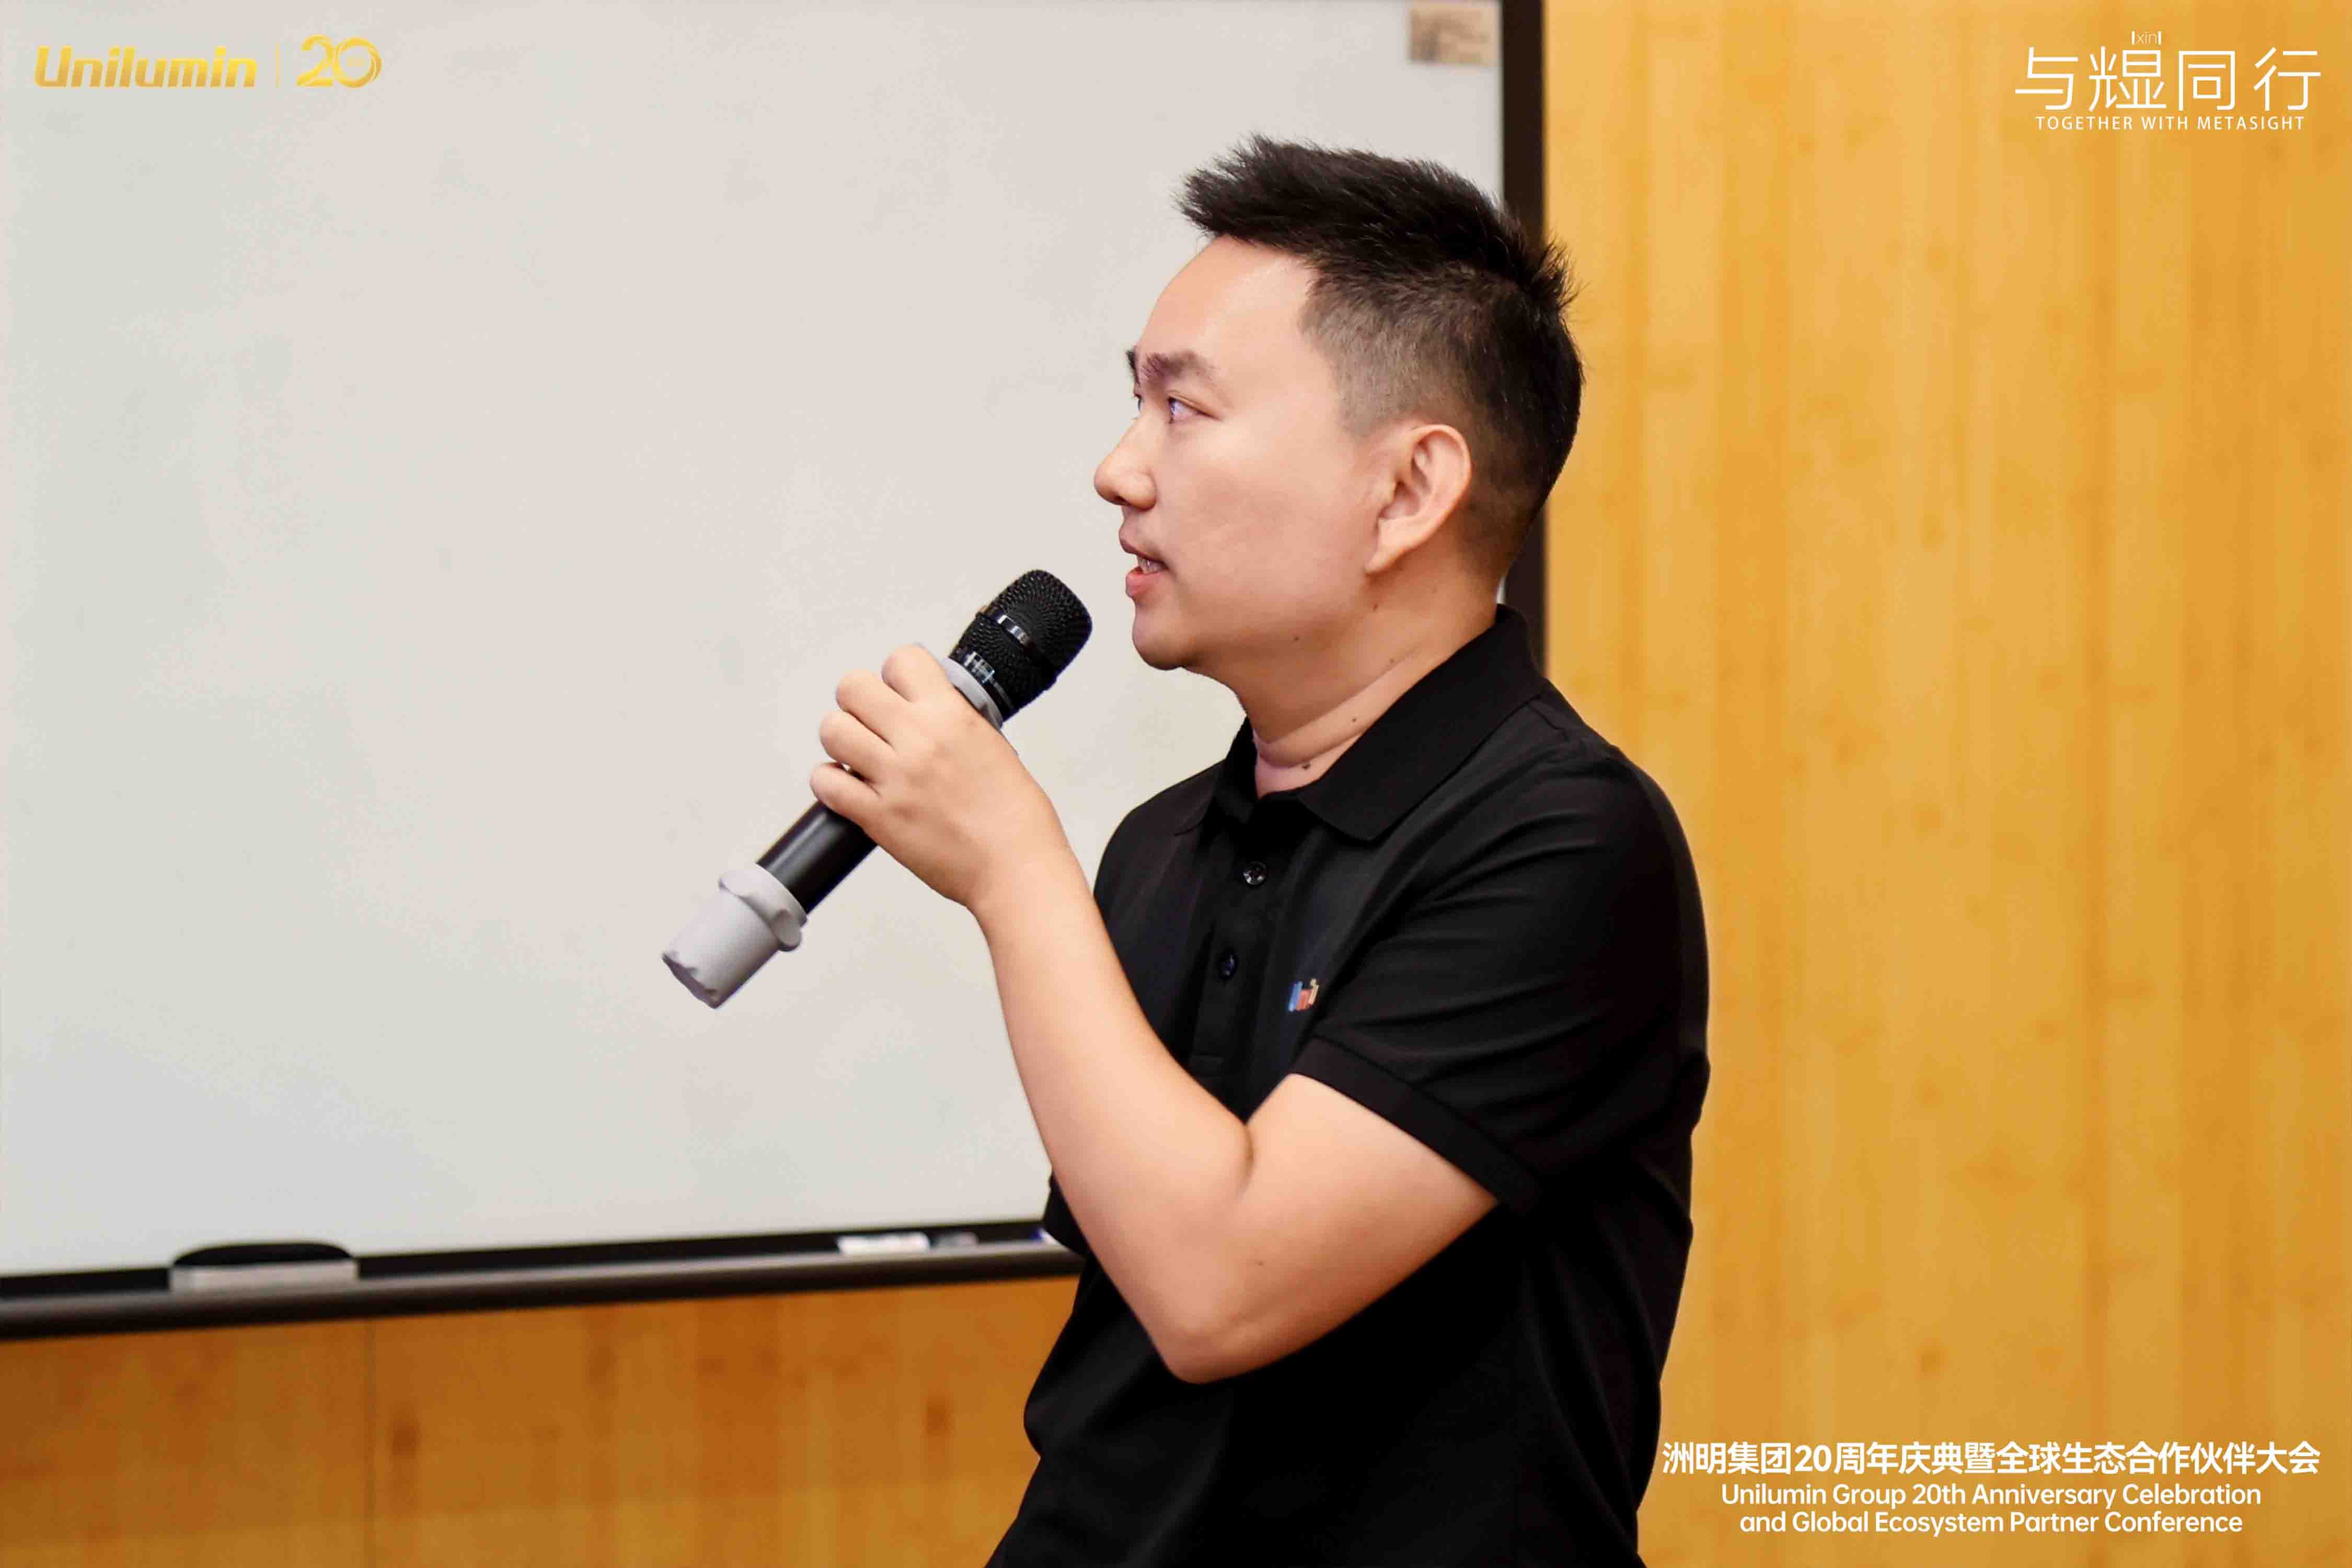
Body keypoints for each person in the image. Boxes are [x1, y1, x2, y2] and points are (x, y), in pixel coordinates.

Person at [806, 133, 1709, 1566]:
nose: (1118, 471)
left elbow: (1219, 1288)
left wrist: (1010, 869)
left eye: (1184, 409)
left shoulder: (1566, 846)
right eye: (1133, 403)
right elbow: (1132, 1384)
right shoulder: (1163, 845)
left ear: (1407, 492)